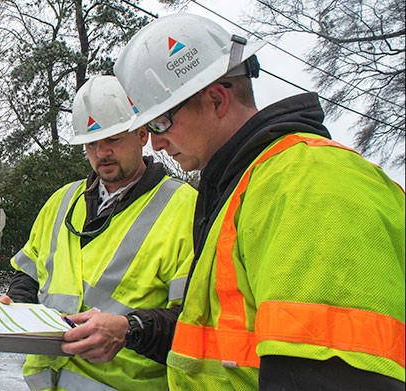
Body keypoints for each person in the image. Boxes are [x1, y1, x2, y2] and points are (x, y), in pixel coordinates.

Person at [109, 12, 405, 389]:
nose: (155, 143)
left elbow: (326, 377)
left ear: (216, 100)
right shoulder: (244, 189)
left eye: (160, 124)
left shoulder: (310, 182)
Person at [1, 75, 197, 390]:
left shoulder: (185, 208)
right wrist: (17, 299)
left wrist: (130, 329)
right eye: (92, 143)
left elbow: (193, 320)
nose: (101, 152)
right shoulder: (63, 200)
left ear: (142, 135)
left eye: (113, 139)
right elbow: (31, 271)